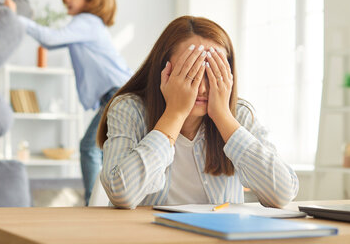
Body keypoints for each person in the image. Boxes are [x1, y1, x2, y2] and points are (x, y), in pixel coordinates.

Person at [96, 16, 299, 209]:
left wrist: (224, 117)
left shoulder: (240, 115)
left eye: (213, 73)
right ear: (164, 71)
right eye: (190, 72)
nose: (202, 88)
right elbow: (121, 194)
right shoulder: (129, 109)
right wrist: (174, 114)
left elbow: (282, 194)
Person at [5, 0, 132, 204]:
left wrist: (17, 19)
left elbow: (51, 38)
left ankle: (92, 202)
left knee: (89, 147)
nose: (67, 1)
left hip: (118, 91)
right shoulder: (88, 25)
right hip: (118, 92)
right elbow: (49, 41)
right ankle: (103, 200)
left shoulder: (88, 22)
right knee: (103, 150)